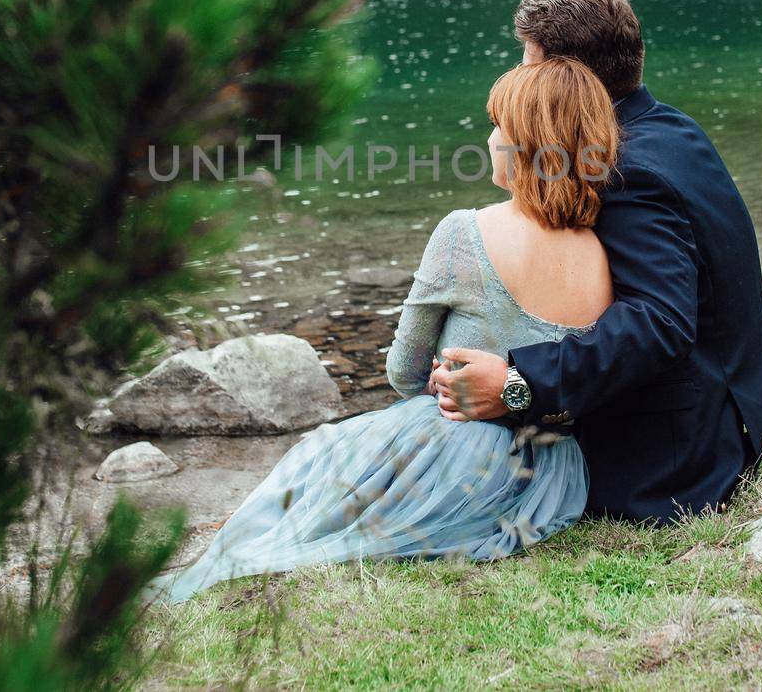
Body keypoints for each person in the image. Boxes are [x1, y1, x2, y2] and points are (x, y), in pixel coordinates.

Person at [150, 57, 618, 603]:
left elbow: (404, 370)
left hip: (464, 447)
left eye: (497, 127)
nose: (488, 137)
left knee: (324, 453)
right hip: (554, 472)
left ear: (529, 144)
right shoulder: (602, 256)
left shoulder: (464, 233)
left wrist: (431, 408)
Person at [432, 0, 762, 522]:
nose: (519, 81)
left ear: (566, 79)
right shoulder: (669, 127)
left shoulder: (625, 169)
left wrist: (517, 384)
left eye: (528, 65)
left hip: (677, 457)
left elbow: (660, 320)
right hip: (731, 404)